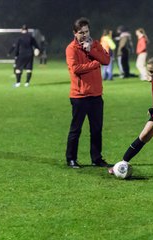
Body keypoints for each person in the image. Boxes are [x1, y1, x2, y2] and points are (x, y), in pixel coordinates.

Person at [109, 56, 153, 177]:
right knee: (143, 136)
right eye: (149, 72)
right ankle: (122, 163)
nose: (151, 75)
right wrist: (152, 77)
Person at [65, 17, 110, 168]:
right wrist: (94, 63)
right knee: (76, 129)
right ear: (74, 33)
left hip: (96, 95)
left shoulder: (95, 44)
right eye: (81, 32)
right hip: (79, 96)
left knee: (96, 130)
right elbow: (75, 69)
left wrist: (92, 50)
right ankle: (71, 159)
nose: (84, 35)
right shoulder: (71, 49)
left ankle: (96, 158)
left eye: (86, 31)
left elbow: (106, 60)